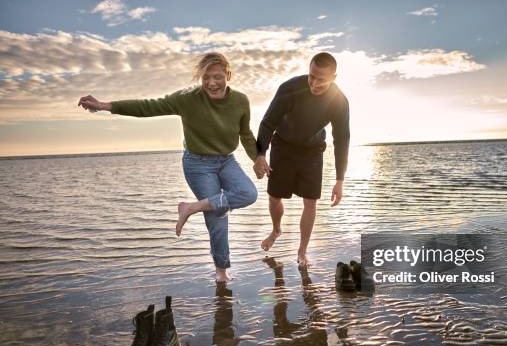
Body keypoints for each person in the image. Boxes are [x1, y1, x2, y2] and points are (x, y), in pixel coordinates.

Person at [78, 52, 258, 282]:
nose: (212, 83)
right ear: (200, 78)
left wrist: (258, 158)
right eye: (206, 78)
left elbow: (246, 134)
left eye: (217, 77)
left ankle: (191, 207)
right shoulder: (188, 98)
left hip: (226, 160)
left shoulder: (240, 101)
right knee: (218, 216)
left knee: (249, 193)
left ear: (228, 75)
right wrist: (105, 105)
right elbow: (148, 106)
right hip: (198, 164)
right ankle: (221, 271)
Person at [253, 52, 350, 267]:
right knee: (274, 196)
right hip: (283, 146)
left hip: (312, 151)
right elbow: (268, 123)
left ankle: (302, 251)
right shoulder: (290, 88)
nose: (314, 83)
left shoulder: (339, 101)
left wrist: (340, 180)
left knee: (310, 202)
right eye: (311, 76)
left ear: (334, 77)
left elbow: (342, 139)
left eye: (321, 80)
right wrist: (261, 154)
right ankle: (277, 229)